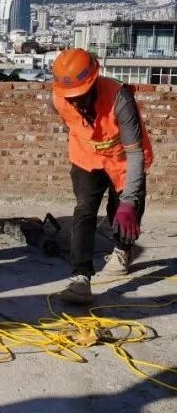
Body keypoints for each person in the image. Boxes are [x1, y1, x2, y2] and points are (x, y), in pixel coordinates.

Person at [51, 48, 153, 304]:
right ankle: (80, 279)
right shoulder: (59, 98)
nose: (75, 102)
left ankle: (122, 250)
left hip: (122, 159)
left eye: (80, 96)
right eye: (71, 97)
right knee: (84, 210)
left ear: (93, 81)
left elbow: (135, 154)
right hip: (86, 157)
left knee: (122, 211)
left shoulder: (119, 98)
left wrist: (130, 200)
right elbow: (70, 122)